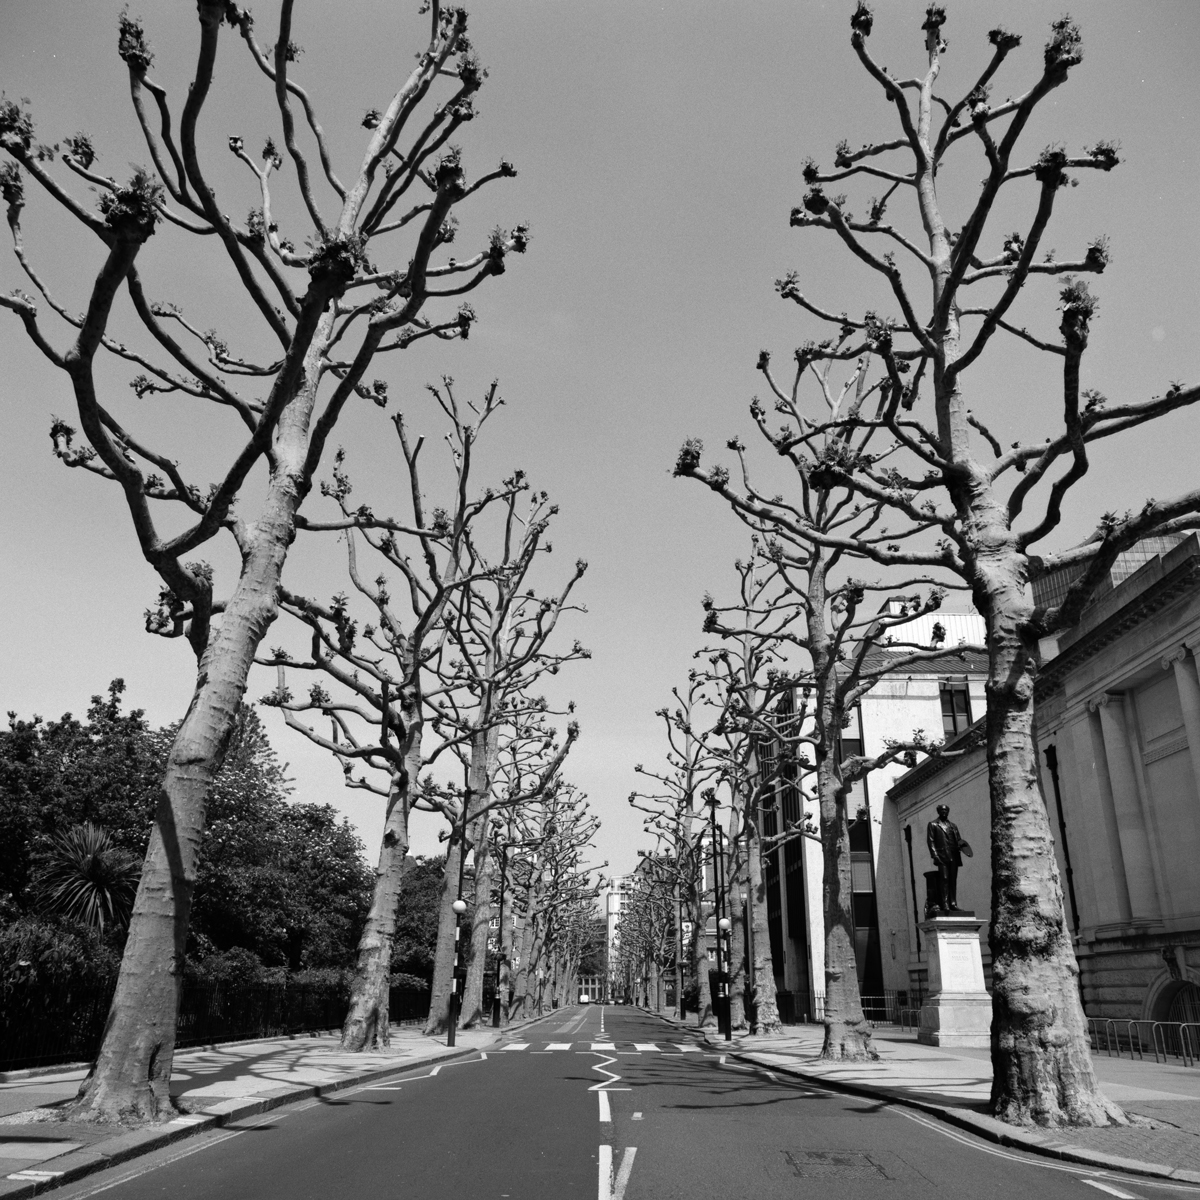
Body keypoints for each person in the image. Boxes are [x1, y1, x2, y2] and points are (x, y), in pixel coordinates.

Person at [926, 804, 972, 913]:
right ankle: (945, 904)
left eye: (946, 810)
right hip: (942, 856)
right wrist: (935, 855)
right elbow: (931, 841)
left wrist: (962, 847)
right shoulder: (933, 824)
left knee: (952, 880)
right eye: (942, 810)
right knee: (944, 879)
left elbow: (959, 840)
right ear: (938, 811)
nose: (944, 812)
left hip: (954, 856)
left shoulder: (953, 826)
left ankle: (953, 904)